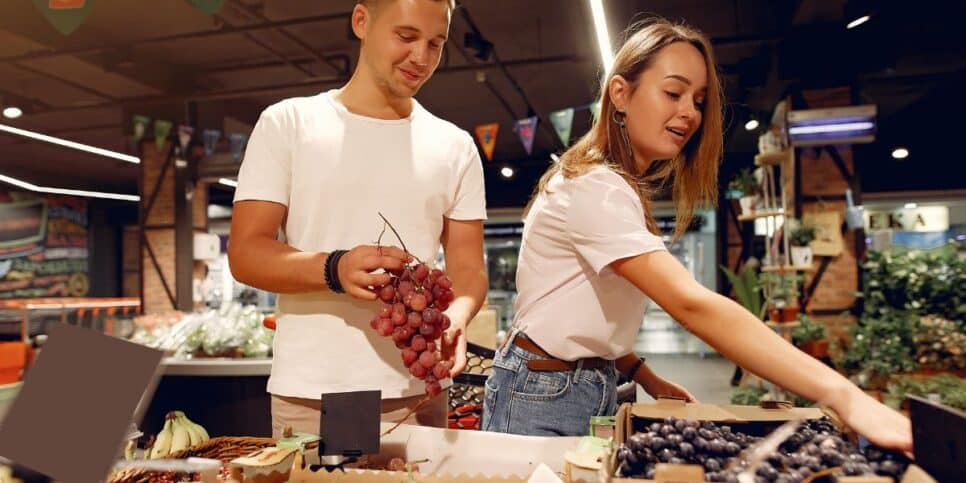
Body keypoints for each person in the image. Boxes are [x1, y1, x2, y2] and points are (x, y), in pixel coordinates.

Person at [482, 17, 912, 453]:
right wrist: (845, 396)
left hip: (570, 384)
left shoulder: (610, 185)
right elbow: (691, 303)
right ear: (621, 94)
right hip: (543, 392)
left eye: (698, 99)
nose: (690, 112)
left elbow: (578, 309)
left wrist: (643, 374)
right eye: (673, 92)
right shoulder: (596, 188)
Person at [228, 0, 488, 439]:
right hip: (319, 393)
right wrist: (335, 268)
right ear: (361, 21)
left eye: (436, 44)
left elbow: (468, 269)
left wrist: (458, 316)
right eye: (406, 37)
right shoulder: (289, 124)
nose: (421, 58)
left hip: (420, 387)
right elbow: (246, 253)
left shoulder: (455, 146)